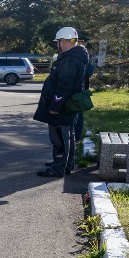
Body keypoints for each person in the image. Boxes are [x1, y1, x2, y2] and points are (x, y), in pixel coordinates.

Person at [34, 27, 89, 177]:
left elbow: (64, 85)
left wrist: (55, 106)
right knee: (68, 136)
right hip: (68, 105)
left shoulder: (69, 60)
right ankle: (65, 164)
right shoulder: (74, 57)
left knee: (59, 138)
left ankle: (58, 168)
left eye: (58, 42)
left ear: (63, 42)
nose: (57, 45)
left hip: (62, 106)